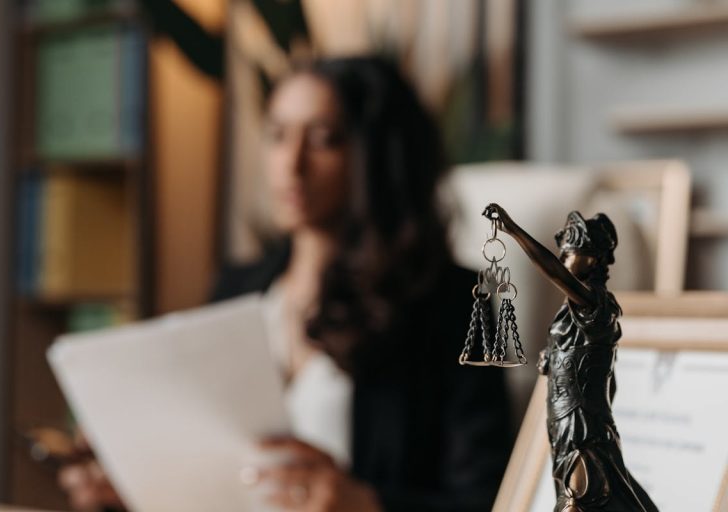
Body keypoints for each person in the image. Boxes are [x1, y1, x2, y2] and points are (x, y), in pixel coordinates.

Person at [59, 56, 512, 512]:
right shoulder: (237, 289)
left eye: (323, 140)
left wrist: (365, 504)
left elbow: (493, 498)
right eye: (277, 136)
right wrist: (129, 486)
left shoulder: (452, 304)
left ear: (373, 157)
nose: (291, 163)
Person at [483, 204, 657, 511]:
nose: (564, 259)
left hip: (582, 427)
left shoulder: (596, 306)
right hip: (564, 424)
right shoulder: (571, 312)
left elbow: (553, 270)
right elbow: (605, 372)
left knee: (577, 500)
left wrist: (512, 229)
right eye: (562, 253)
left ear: (595, 259)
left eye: (569, 253)